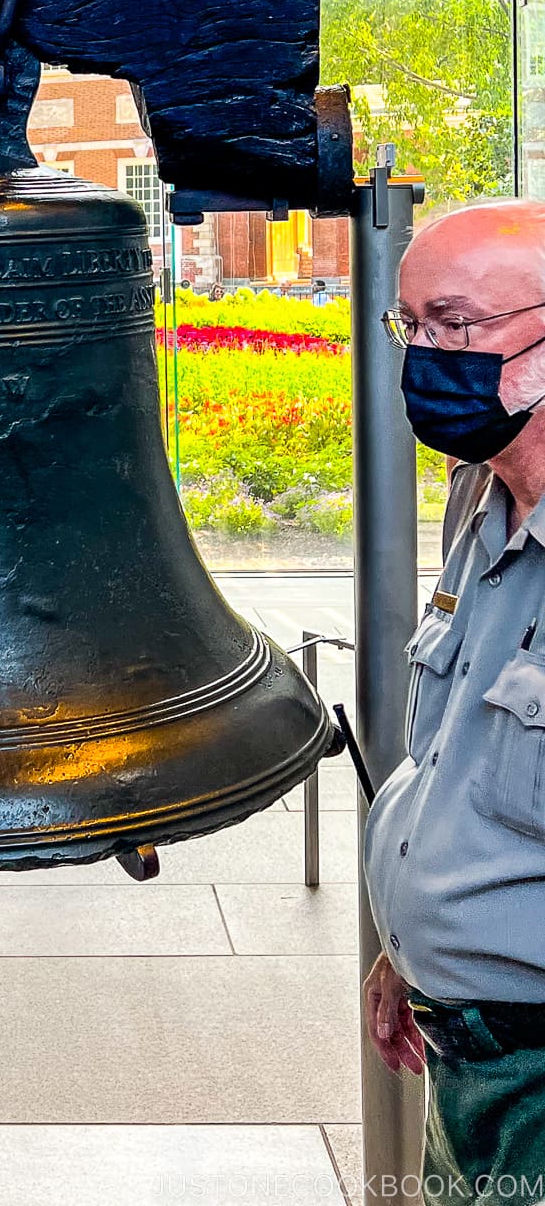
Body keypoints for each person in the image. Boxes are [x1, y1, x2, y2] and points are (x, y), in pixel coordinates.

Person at [363, 199, 545, 1195]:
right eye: (413, 325)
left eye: (459, 327)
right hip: (464, 1051)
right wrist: (411, 948)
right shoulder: (478, 493)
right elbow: (453, 763)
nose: (426, 355)